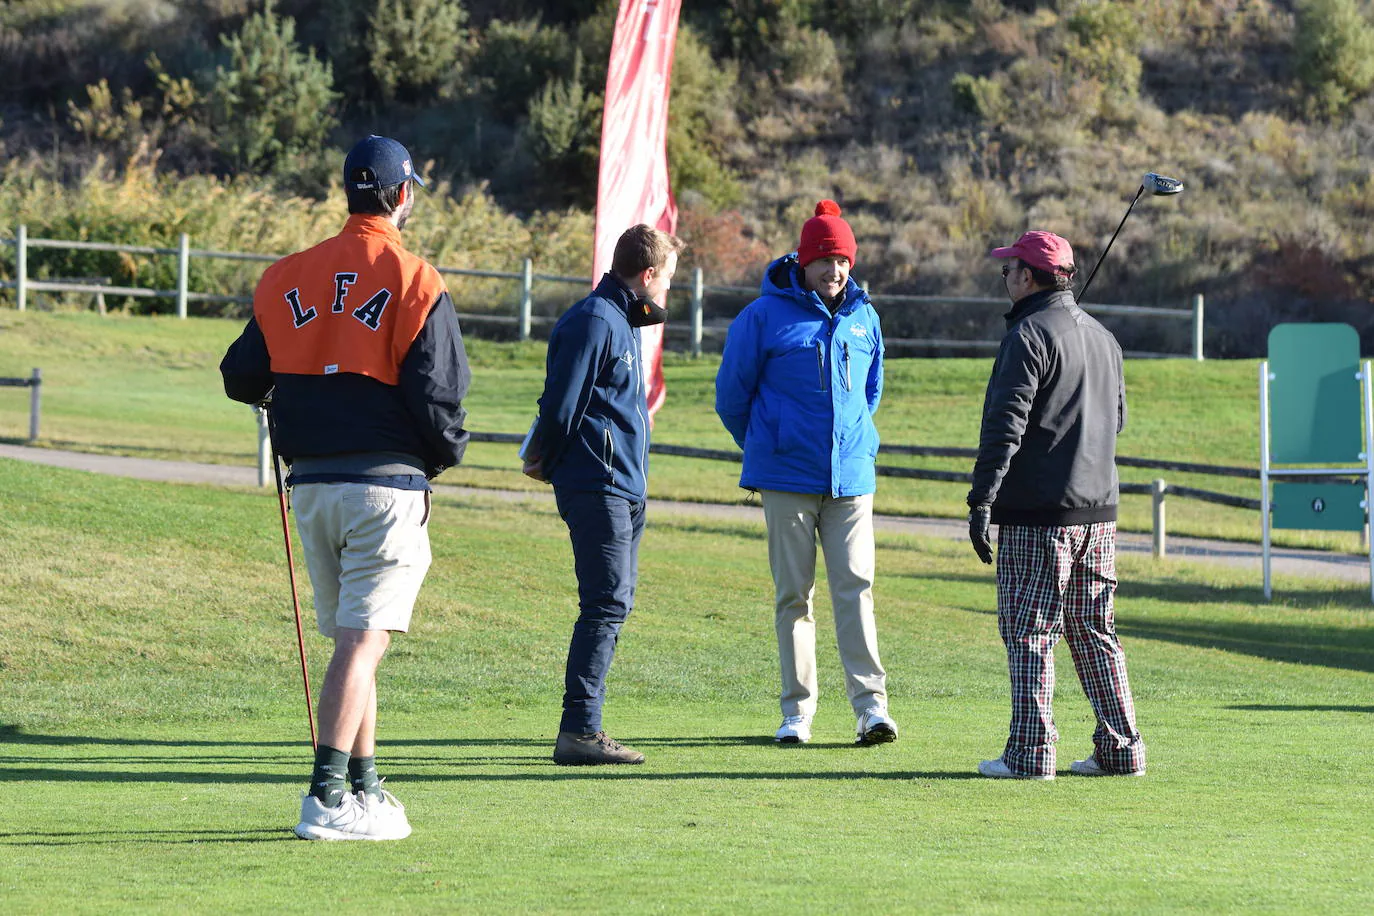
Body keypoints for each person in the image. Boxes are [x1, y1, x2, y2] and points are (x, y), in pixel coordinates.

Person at [220, 134, 471, 838]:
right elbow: (441, 395)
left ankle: (364, 790)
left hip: (313, 489)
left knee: (352, 644)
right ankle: (325, 798)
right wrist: (441, 457)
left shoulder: (285, 276)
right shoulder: (416, 277)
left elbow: (241, 375)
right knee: (362, 646)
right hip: (384, 487)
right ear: (401, 195)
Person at [714, 200, 897, 747]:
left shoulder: (866, 316)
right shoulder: (762, 317)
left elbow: (871, 393)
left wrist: (849, 445)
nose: (834, 271)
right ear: (803, 260)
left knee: (856, 588)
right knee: (794, 596)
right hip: (786, 479)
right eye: (824, 260)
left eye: (842, 260)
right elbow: (731, 398)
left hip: (851, 480)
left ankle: (872, 710)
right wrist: (769, 448)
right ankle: (797, 713)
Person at [969, 229, 1145, 780]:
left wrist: (982, 499)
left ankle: (1030, 754)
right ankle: (1122, 752)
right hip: (1099, 515)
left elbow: (1005, 426)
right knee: (1095, 631)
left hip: (1038, 514)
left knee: (1030, 630)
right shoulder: (1104, 337)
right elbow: (1116, 422)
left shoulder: (1027, 335)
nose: (1005, 278)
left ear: (1027, 275)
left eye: (1008, 270)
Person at [522, 224, 684, 765]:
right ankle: (580, 731)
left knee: (613, 602)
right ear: (649, 273)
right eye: (666, 281)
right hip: (597, 483)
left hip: (623, 485)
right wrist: (546, 459)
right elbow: (561, 407)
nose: (666, 293)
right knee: (606, 602)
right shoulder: (595, 321)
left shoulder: (622, 319)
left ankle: (584, 727)